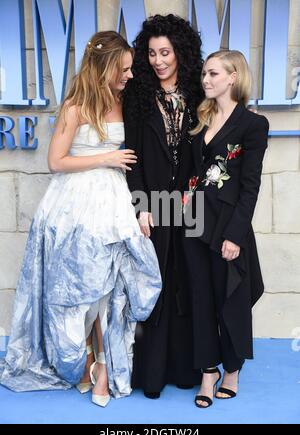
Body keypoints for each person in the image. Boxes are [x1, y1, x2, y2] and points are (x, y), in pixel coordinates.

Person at [0, 31, 161, 407]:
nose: (131, 75)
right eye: (124, 68)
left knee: (110, 286)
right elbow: (56, 161)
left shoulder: (125, 102)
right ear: (105, 67)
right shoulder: (75, 105)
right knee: (80, 290)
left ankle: (104, 365)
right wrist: (105, 158)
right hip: (74, 205)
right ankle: (86, 359)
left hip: (113, 202)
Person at [181, 50, 269, 408]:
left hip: (227, 225)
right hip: (194, 221)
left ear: (233, 77)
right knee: (200, 298)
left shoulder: (253, 124)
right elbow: (191, 172)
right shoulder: (199, 119)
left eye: (214, 73)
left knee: (229, 298)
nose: (206, 79)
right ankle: (208, 372)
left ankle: (231, 368)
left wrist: (235, 234)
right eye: (204, 73)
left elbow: (250, 186)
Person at [123, 14, 204, 398]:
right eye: (152, 53)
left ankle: (185, 370)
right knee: (153, 286)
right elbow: (131, 157)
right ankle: (150, 375)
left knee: (186, 286)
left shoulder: (198, 94)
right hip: (153, 205)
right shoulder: (137, 95)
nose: (158, 60)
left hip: (189, 205)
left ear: (181, 53)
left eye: (166, 52)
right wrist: (140, 206)